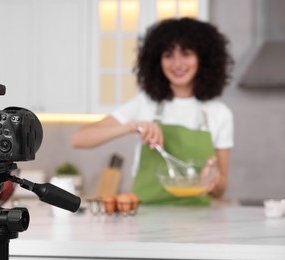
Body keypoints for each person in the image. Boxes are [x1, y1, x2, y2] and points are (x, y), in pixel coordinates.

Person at [71, 17, 234, 205]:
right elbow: (78, 139)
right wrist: (132, 126)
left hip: (198, 225)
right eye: (168, 55)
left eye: (186, 53)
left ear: (203, 59)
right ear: (157, 61)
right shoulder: (144, 104)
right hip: (146, 221)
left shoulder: (219, 113)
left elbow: (221, 188)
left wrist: (213, 181)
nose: (177, 64)